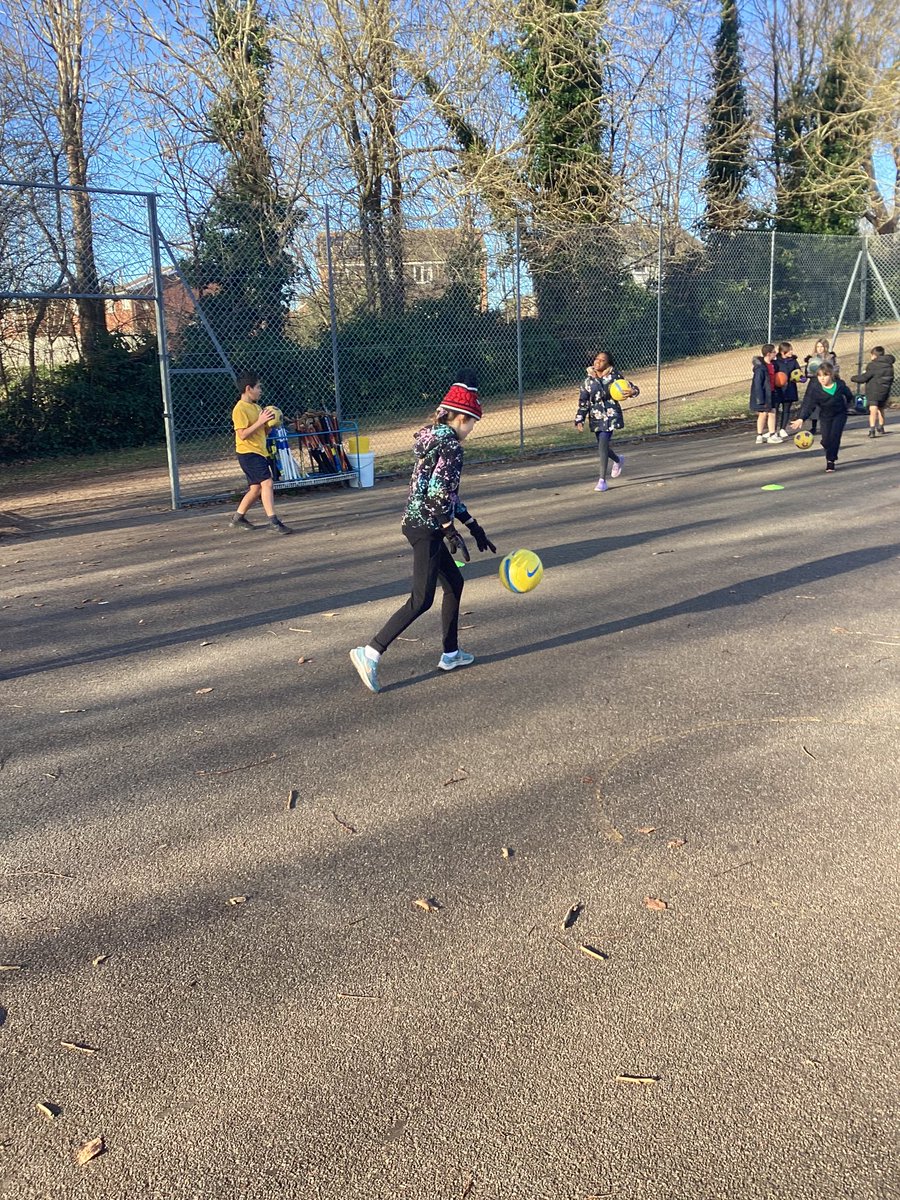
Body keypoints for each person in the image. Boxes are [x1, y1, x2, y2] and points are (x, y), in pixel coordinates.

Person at [349, 374, 497, 693]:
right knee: (421, 599)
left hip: (419, 522)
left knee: (454, 583)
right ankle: (370, 652)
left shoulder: (433, 437)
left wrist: (472, 525)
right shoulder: (452, 446)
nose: (471, 428)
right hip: (425, 528)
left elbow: (443, 493)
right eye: (470, 421)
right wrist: (449, 530)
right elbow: (437, 494)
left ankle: (451, 653)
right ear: (458, 417)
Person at [229, 371, 292, 534]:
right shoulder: (240, 409)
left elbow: (262, 433)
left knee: (256, 488)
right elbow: (242, 434)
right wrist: (260, 421)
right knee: (267, 483)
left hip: (259, 452)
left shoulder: (257, 407)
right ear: (248, 388)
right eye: (258, 387)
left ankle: (238, 518)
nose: (260, 390)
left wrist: (270, 425)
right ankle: (274, 521)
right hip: (248, 453)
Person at [574, 351, 638, 490]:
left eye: (602, 360)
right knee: (602, 447)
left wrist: (633, 392)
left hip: (611, 416)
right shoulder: (587, 381)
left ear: (608, 364)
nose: (598, 362)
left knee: (603, 444)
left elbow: (632, 388)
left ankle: (602, 480)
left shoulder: (615, 377)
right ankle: (618, 459)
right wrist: (579, 419)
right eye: (597, 359)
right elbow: (583, 402)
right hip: (596, 418)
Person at [789, 363, 853, 472]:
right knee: (826, 440)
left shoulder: (840, 385)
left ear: (831, 375)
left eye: (825, 375)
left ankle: (830, 461)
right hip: (825, 416)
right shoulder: (816, 389)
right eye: (819, 376)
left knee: (835, 437)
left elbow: (850, 396)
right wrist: (801, 418)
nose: (822, 378)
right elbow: (809, 404)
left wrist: (850, 406)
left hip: (839, 415)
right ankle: (828, 447)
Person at [851, 346, 895, 438]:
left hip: (874, 391)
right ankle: (881, 427)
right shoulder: (889, 364)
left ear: (874, 355)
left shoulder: (873, 365)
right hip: (885, 390)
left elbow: (865, 377)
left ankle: (872, 429)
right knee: (881, 408)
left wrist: (854, 378)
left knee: (873, 410)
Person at [802, 337, 839, 437]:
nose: (819, 349)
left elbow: (835, 369)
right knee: (814, 405)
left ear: (825, 347)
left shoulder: (830, 357)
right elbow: (808, 373)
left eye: (821, 347)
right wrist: (810, 369)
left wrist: (829, 374)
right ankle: (814, 426)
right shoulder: (812, 358)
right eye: (818, 347)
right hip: (815, 382)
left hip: (827, 383)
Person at [749, 344, 780, 444]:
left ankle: (766, 434)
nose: (775, 354)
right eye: (774, 352)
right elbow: (757, 384)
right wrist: (760, 398)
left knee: (771, 412)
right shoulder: (761, 368)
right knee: (764, 414)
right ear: (768, 354)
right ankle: (764, 435)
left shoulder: (772, 364)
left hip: (771, 392)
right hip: (764, 394)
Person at [773, 341, 801, 440]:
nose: (791, 352)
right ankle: (774, 430)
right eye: (789, 350)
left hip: (790, 388)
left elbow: (798, 373)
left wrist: (800, 378)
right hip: (778, 389)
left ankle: (783, 428)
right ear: (782, 352)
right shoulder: (776, 361)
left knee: (787, 409)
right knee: (775, 410)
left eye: (791, 350)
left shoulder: (793, 361)